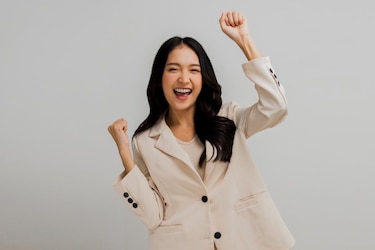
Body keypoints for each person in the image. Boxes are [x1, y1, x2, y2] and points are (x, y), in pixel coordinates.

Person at [107, 11, 295, 250]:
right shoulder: (145, 142)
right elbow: (153, 216)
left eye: (194, 70)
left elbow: (276, 107)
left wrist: (245, 41)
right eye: (173, 69)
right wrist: (125, 153)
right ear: (159, 77)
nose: (183, 78)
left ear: (203, 78)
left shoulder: (229, 119)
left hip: (246, 241)